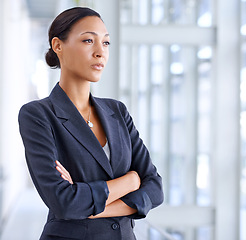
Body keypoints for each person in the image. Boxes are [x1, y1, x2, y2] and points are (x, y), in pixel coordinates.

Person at [18, 7, 163, 240]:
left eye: (106, 43)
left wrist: (89, 207)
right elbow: (64, 202)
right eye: (88, 40)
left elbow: (155, 188)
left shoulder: (117, 111)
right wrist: (130, 181)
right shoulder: (38, 115)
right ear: (58, 46)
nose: (100, 52)